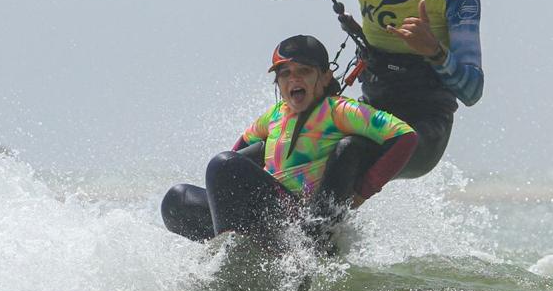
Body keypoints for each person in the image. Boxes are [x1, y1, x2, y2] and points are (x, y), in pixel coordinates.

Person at [262, 0, 483, 179]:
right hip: (372, 113)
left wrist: (435, 51)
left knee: (348, 150)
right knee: (282, 142)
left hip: (423, 128)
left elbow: (472, 91)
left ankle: (318, 213)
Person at [161, 35, 418, 251]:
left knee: (223, 164)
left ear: (325, 77)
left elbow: (405, 136)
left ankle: (236, 258)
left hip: (297, 219)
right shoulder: (275, 115)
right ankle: (232, 253)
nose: (293, 80)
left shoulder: (338, 110)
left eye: (304, 71)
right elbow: (235, 158)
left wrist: (360, 194)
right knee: (177, 200)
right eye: (285, 74)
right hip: (263, 214)